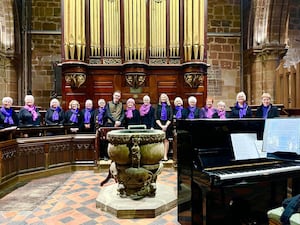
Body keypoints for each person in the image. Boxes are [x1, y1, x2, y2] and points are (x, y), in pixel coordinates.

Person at [155, 93, 173, 161]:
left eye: (164, 97)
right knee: (159, 141)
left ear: (166, 98)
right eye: (162, 97)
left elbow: (170, 117)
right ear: (160, 98)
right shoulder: (157, 106)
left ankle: (165, 156)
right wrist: (161, 126)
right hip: (159, 125)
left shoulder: (169, 107)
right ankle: (159, 156)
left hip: (167, 125)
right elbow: (156, 117)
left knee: (166, 140)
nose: (163, 98)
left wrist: (165, 126)